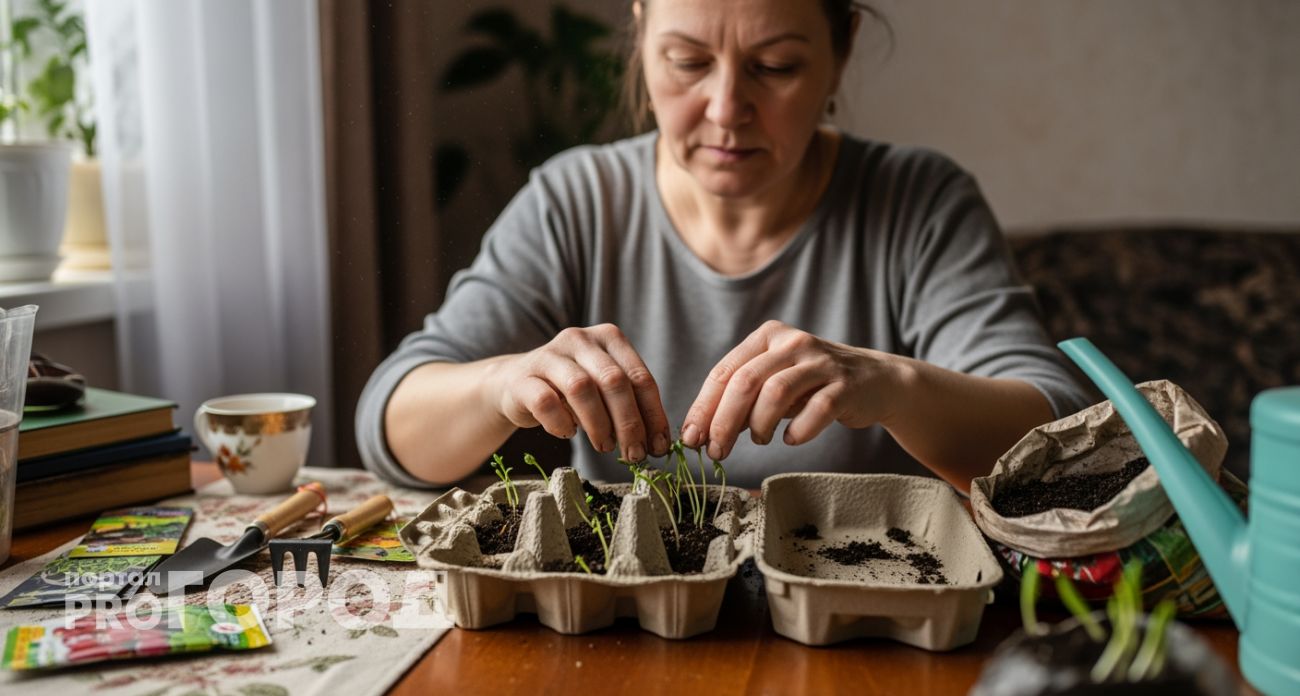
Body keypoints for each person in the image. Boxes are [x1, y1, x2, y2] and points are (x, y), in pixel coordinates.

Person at [356, 0, 1091, 492]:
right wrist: (501, 384)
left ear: (840, 52)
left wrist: (891, 387)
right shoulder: (574, 201)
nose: (727, 108)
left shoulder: (918, 201)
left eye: (776, 67)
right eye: (687, 62)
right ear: (641, 32)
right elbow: (392, 424)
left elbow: (1061, 429)